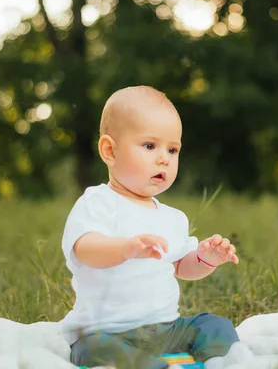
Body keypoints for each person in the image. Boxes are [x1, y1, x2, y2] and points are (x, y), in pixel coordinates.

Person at [61, 86, 251, 369]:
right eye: (150, 146)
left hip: (166, 329)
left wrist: (205, 258)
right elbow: (85, 249)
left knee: (212, 325)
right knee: (95, 350)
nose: (164, 158)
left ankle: (227, 360)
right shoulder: (98, 203)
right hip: (105, 332)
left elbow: (180, 267)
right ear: (110, 151)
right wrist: (125, 248)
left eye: (172, 149)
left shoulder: (172, 218)